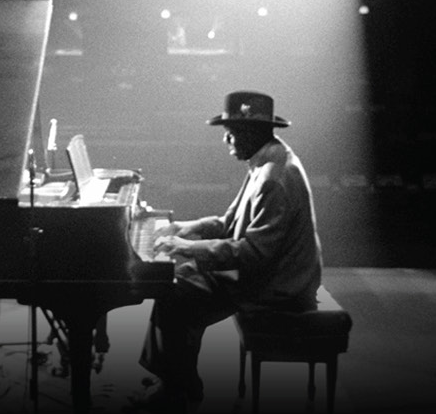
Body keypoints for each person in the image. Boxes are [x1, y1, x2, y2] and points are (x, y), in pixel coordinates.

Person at [135, 90, 324, 413]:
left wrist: (188, 248)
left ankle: (177, 393)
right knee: (177, 279)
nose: (226, 139)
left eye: (232, 132)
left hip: (280, 286)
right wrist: (185, 228)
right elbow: (229, 223)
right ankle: (177, 382)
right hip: (270, 272)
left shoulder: (273, 177)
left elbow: (254, 254)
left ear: (252, 132)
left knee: (176, 292)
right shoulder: (267, 159)